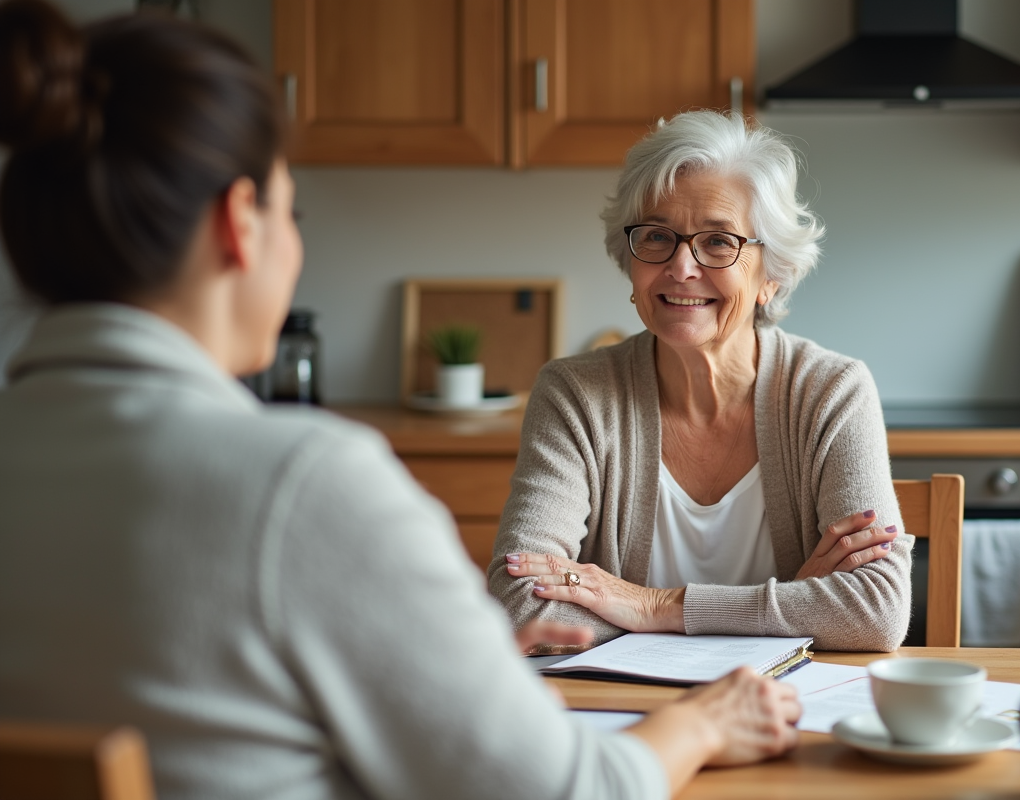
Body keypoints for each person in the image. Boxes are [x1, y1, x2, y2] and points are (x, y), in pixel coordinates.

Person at [0, 4, 801, 798]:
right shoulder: (304, 485)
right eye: (292, 209)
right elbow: (567, 792)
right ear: (240, 224)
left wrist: (445, 657)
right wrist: (701, 723)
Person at [490, 111, 912, 651]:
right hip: (620, 712)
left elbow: (874, 610)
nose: (681, 267)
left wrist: (651, 605)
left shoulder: (831, 392)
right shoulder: (575, 395)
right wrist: (794, 603)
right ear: (630, 259)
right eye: (657, 237)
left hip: (784, 709)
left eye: (718, 242)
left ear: (771, 274)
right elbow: (518, 604)